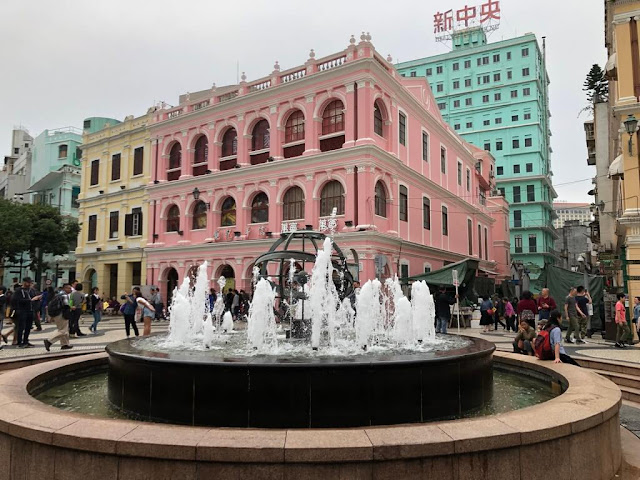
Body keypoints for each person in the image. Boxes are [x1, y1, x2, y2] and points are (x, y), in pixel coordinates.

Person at [11, 277, 42, 348]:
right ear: (24, 282)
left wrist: (37, 299)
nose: (29, 284)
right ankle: (19, 342)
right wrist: (30, 300)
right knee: (21, 327)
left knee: (28, 327)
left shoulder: (31, 290)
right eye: (28, 282)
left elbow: (33, 298)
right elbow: (16, 300)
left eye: (30, 282)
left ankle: (26, 341)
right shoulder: (19, 291)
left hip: (31, 311)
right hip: (22, 311)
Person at [43, 283, 73, 351]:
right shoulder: (64, 295)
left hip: (56, 314)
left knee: (63, 329)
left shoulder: (58, 294)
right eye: (69, 288)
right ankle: (49, 341)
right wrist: (71, 307)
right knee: (63, 331)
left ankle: (65, 344)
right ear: (64, 288)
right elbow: (66, 305)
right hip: (61, 314)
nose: (70, 289)